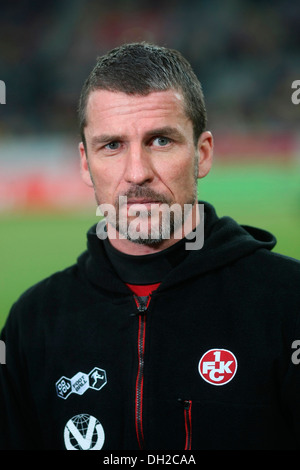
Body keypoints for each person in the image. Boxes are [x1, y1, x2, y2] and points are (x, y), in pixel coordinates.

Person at [0, 42, 300, 451]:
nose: (137, 173)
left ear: (203, 153)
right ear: (86, 165)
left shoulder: (288, 302)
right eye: (112, 145)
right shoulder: (32, 323)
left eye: (160, 141)